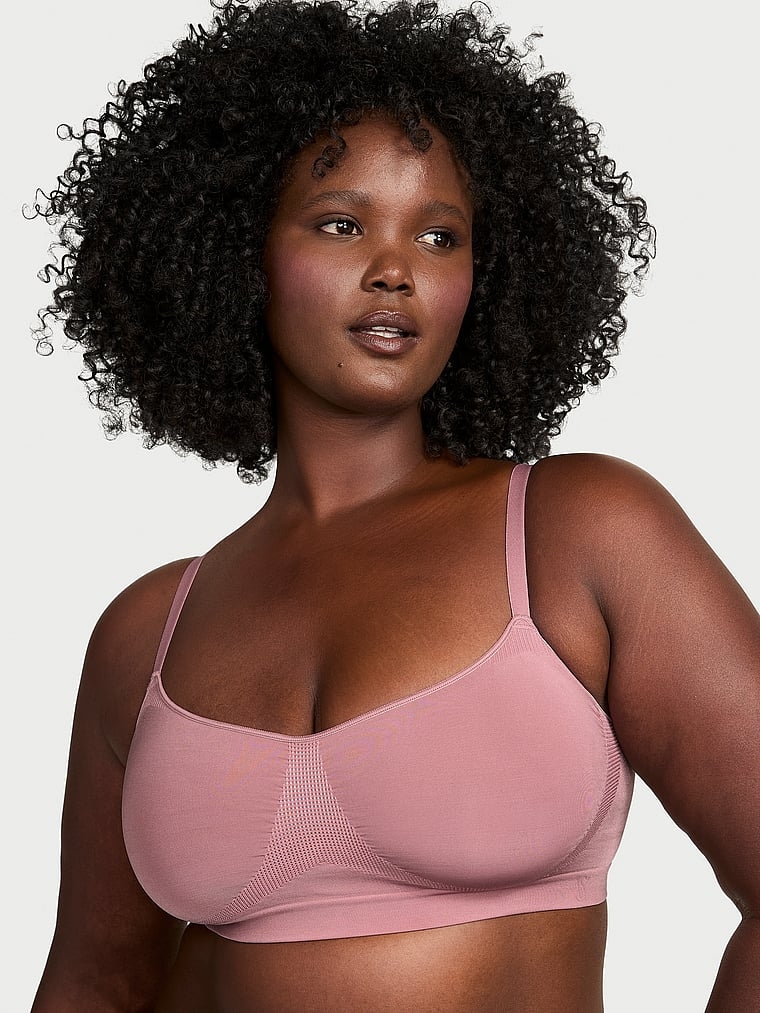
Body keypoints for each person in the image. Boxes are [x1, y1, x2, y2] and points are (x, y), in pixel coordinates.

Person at [27, 0, 759, 1010]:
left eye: (440, 235)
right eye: (342, 223)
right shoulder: (146, 634)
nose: (395, 270)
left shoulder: (579, 532)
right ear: (238, 251)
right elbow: (95, 981)